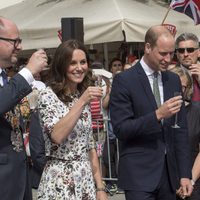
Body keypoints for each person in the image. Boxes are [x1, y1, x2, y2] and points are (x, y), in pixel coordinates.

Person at [110, 25, 193, 200]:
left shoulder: (173, 80)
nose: (168, 59)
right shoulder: (124, 80)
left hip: (170, 177)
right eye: (163, 53)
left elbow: (181, 130)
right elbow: (121, 129)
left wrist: (185, 174)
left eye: (171, 53)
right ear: (148, 47)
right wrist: (157, 115)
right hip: (139, 175)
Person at [37, 39, 108, 200]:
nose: (79, 68)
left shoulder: (80, 95)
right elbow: (56, 136)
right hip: (60, 179)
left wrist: (100, 187)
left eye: (83, 62)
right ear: (62, 66)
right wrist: (83, 101)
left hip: (85, 179)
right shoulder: (48, 95)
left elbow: (90, 146)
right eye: (72, 63)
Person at [0, 16, 48, 200]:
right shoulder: (15, 80)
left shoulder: (5, 77)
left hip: (18, 179)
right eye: (15, 41)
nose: (19, 46)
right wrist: (27, 72)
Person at [168, 66, 200, 200]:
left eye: (181, 86)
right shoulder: (160, 113)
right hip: (166, 181)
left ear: (188, 88)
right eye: (171, 85)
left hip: (193, 180)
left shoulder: (197, 111)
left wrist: (190, 180)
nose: (176, 91)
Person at [175, 33, 200, 107]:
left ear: (198, 52)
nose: (185, 54)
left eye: (190, 50)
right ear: (177, 53)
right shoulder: (169, 74)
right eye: (181, 50)